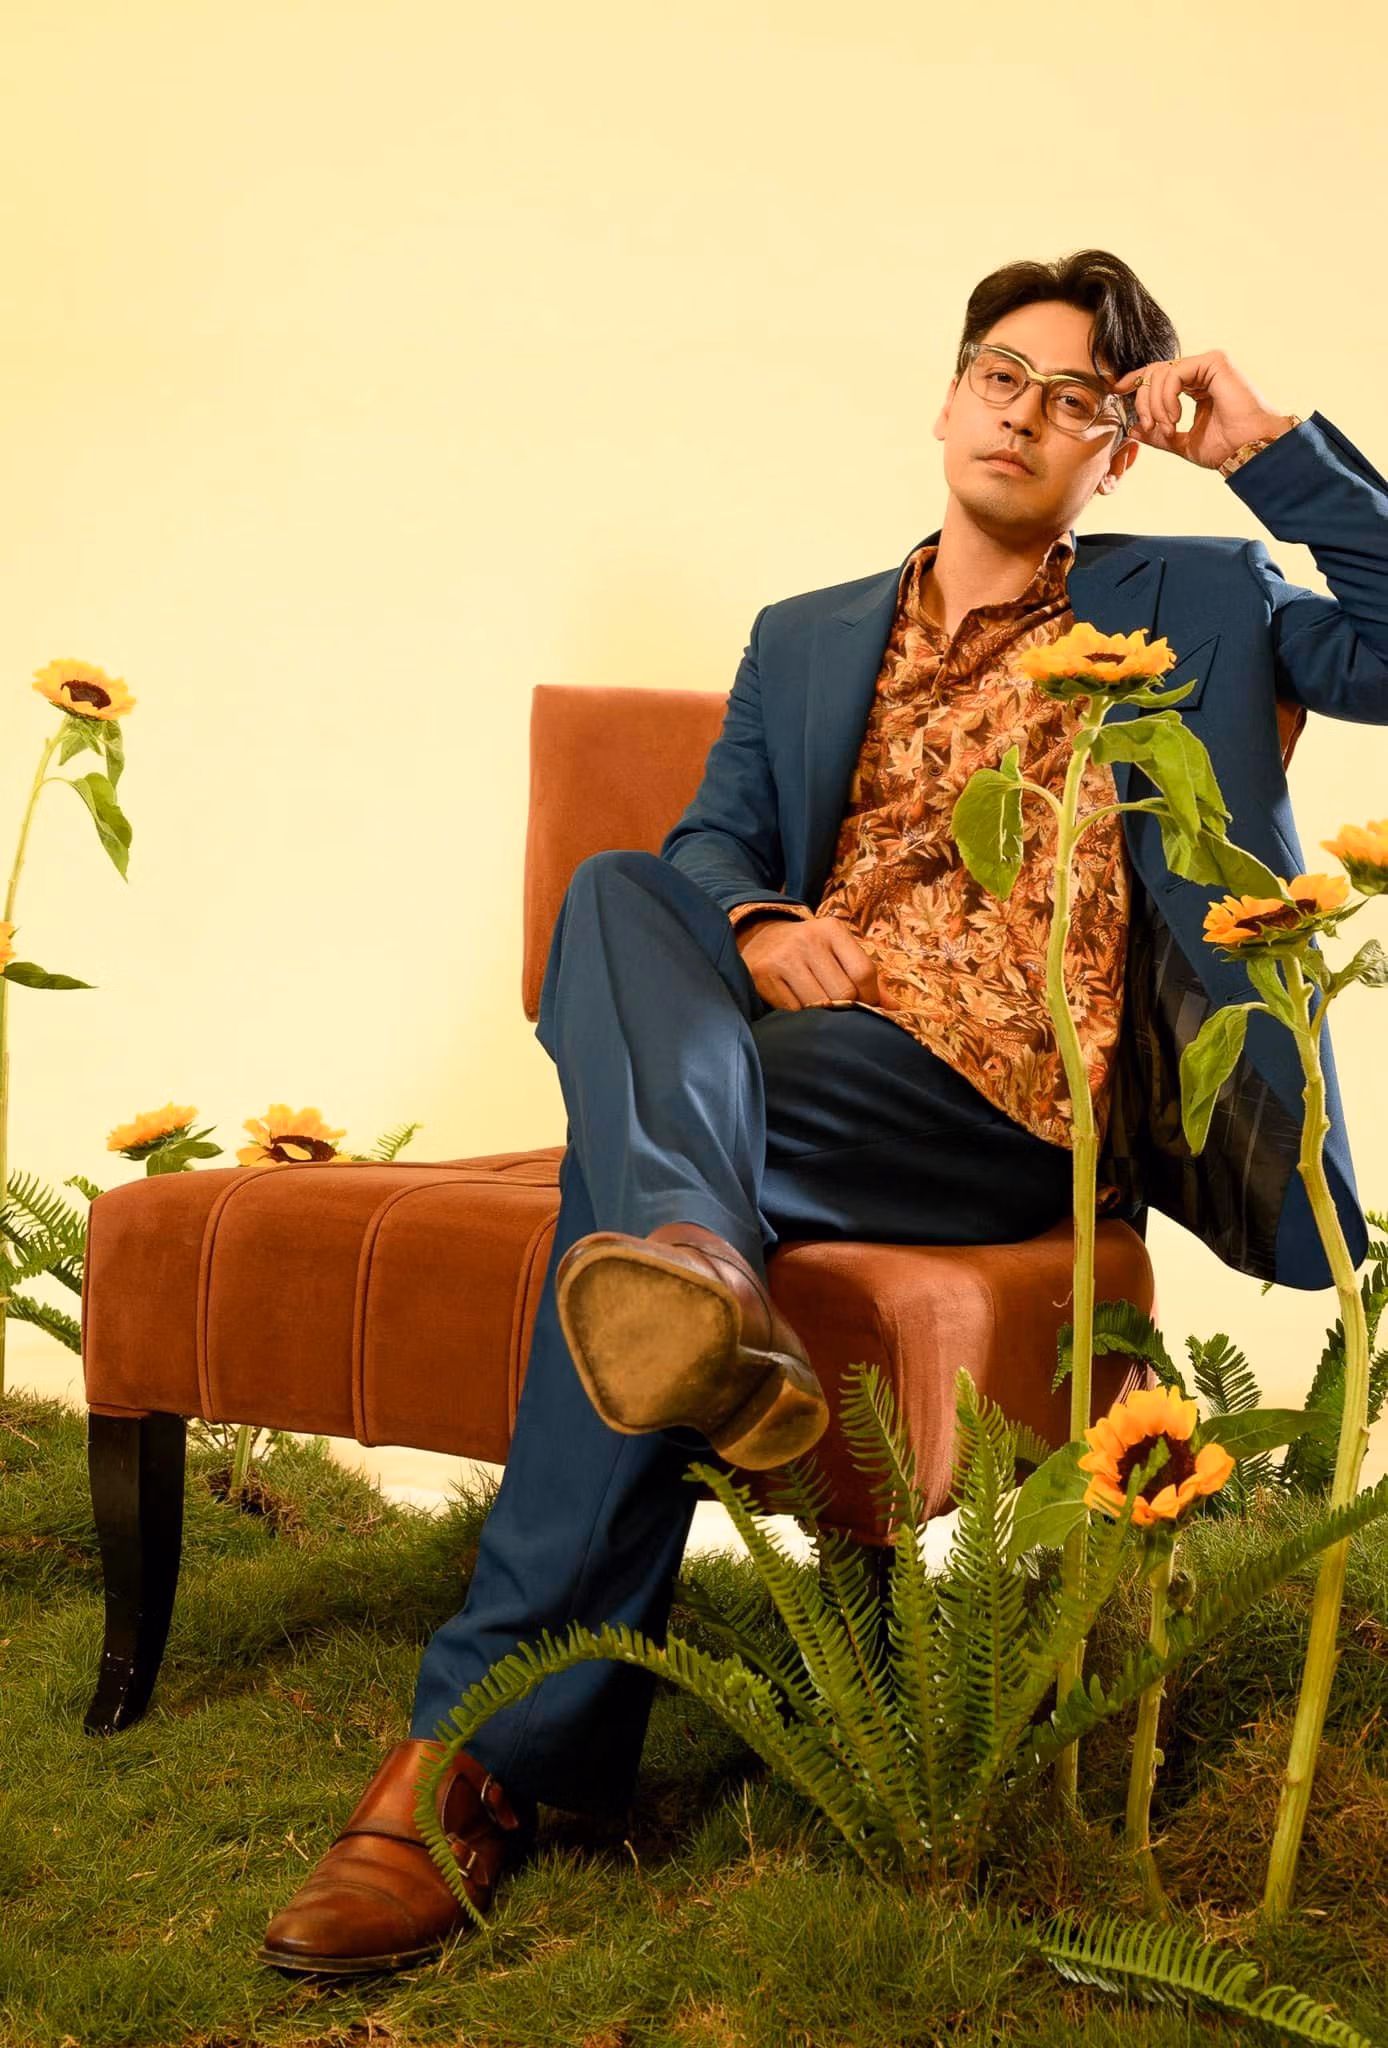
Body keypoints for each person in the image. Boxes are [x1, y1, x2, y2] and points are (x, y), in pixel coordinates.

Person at [260, 248, 1386, 1975]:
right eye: (1002, 375)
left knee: (636, 1173)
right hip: (798, 1060)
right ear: (947, 395)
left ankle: (473, 1754)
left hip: (1012, 1100)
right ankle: (694, 1269)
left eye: (1076, 401)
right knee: (626, 889)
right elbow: (714, 842)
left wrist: (1270, 449)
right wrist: (761, 924)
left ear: (1116, 455)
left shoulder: (1204, 596)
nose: (1026, 415)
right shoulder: (804, 636)